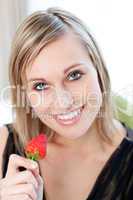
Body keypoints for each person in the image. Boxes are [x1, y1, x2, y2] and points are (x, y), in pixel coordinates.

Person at [0, 7, 133, 200]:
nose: (63, 102)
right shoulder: (3, 143)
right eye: (40, 85)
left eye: (74, 75)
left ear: (99, 70)